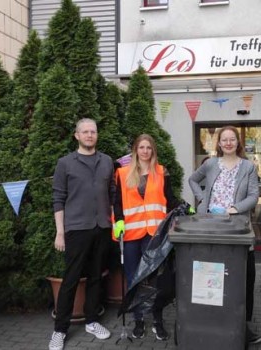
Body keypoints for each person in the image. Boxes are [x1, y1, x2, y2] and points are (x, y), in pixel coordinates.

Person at [188, 125, 261, 345]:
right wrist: (202, 198)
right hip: (210, 227)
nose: (228, 143)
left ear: (237, 143)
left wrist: (235, 208)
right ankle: (212, 320)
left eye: (232, 139)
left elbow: (254, 195)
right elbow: (192, 180)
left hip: (237, 228)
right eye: (224, 140)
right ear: (219, 144)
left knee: (242, 278)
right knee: (212, 275)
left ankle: (242, 325)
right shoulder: (210, 164)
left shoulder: (248, 167)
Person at [49, 118, 115, 350]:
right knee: (71, 280)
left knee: (97, 277)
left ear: (97, 135)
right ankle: (60, 330)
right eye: (85, 132)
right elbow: (58, 198)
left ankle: (92, 321)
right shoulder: (65, 163)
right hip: (76, 229)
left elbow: (112, 194)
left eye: (93, 131)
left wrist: (114, 223)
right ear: (76, 135)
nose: (89, 135)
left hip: (102, 227)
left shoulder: (107, 161)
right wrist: (60, 232)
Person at [113, 134, 180, 341]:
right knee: (134, 278)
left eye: (148, 148)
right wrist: (119, 221)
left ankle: (158, 320)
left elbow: (169, 199)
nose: (145, 151)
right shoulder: (123, 173)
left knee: (155, 279)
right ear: (135, 150)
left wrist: (185, 208)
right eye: (141, 147)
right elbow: (117, 201)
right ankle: (139, 319)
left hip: (154, 235)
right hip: (132, 234)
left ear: (153, 151)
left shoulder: (161, 171)